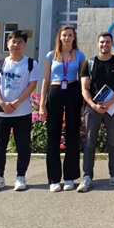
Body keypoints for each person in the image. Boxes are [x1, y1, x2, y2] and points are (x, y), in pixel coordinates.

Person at [0, 30, 40, 193]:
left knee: (23, 146)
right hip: (0, 113)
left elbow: (32, 86)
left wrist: (16, 103)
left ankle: (21, 177)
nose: (16, 45)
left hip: (22, 113)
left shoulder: (31, 64)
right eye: (13, 42)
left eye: (19, 42)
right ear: (7, 44)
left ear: (24, 44)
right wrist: (2, 103)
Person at [78, 32, 114, 192]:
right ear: (97, 44)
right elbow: (84, 88)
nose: (104, 45)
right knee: (89, 143)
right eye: (102, 42)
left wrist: (109, 103)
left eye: (107, 42)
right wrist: (93, 105)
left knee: (113, 142)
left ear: (111, 44)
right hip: (93, 109)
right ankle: (87, 176)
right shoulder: (89, 63)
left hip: (112, 108)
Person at [39, 25, 86, 192]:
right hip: (55, 91)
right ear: (59, 37)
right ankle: (53, 178)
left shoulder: (80, 55)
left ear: (74, 37)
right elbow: (45, 79)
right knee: (53, 135)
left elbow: (83, 80)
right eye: (64, 35)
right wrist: (42, 103)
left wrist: (84, 103)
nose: (67, 38)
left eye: (70, 35)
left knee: (72, 135)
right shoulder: (51, 55)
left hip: (73, 91)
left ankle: (70, 177)